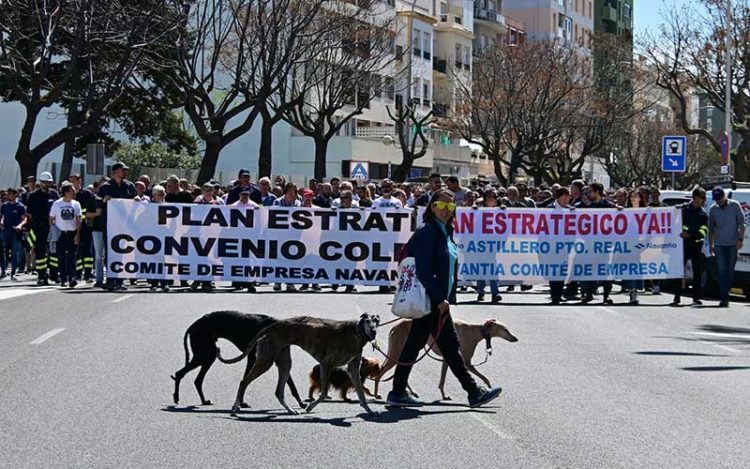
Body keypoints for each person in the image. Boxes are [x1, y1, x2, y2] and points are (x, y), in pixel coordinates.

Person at [387, 189, 502, 408]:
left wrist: (450, 296)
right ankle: (473, 391)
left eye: (451, 207)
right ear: (432, 207)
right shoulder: (428, 232)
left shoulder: (445, 231)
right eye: (441, 205)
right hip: (430, 299)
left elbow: (448, 268)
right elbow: (423, 270)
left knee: (414, 344)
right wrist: (439, 299)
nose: (446, 210)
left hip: (436, 299)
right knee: (451, 346)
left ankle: (397, 391)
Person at [98, 162, 136, 290]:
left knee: (123, 252)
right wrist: (104, 200)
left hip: (125, 225)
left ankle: (119, 280)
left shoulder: (129, 186)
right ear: (115, 172)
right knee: (110, 252)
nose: (125, 172)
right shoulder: (106, 187)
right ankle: (110, 279)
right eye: (122, 170)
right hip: (109, 225)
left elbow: (135, 199)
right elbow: (97, 203)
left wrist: (137, 200)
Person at [708, 187, 745, 307]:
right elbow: (711, 229)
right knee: (722, 271)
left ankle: (726, 291)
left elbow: (741, 223)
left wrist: (740, 239)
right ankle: (724, 297)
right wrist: (711, 244)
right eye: (716, 200)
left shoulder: (735, 205)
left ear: (724, 196)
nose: (718, 201)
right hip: (719, 244)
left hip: (733, 244)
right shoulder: (713, 209)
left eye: (720, 199)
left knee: (730, 271)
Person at [671, 187, 708, 307]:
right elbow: (675, 221)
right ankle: (677, 297)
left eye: (703, 198)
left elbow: (704, 230)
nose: (701, 200)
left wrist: (691, 234)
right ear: (694, 197)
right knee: (679, 270)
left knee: (697, 271)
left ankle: (696, 298)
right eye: (699, 197)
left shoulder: (703, 214)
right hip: (682, 244)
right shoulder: (684, 209)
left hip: (696, 245)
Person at [581, 182, 615, 304]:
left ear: (597, 192)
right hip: (590, 245)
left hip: (604, 245)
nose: (588, 194)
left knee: (605, 271)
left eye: (590, 191)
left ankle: (607, 296)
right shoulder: (586, 207)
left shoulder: (609, 207)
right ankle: (588, 293)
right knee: (589, 270)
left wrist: (621, 211)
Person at [26, 171, 60, 285]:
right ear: (40, 182)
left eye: (49, 182)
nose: (47, 184)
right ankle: (42, 275)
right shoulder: (33, 196)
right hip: (39, 227)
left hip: (53, 226)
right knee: (40, 253)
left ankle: (54, 275)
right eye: (44, 182)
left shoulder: (54, 194)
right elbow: (29, 213)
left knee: (54, 252)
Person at [49, 183, 82, 288]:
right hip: (61, 233)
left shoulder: (76, 204)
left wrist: (77, 234)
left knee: (72, 257)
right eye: (72, 190)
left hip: (72, 233)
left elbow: (78, 220)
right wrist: (55, 230)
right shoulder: (57, 204)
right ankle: (63, 278)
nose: (74, 192)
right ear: (66, 192)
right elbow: (51, 219)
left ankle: (72, 277)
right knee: (61, 257)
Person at [476, 188, 501, 303]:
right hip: (480, 244)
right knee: (481, 268)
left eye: (494, 197)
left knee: (493, 269)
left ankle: (495, 293)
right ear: (485, 199)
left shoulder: (500, 211)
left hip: (493, 244)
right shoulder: (478, 211)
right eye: (489, 197)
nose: (492, 199)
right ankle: (481, 291)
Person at [69, 174, 95, 282]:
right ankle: (78, 273)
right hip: (73, 226)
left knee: (87, 250)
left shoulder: (86, 194)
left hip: (86, 225)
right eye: (70, 182)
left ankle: (88, 273)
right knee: (77, 250)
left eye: (74, 181)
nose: (72, 184)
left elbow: (90, 210)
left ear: (79, 181)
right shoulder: (69, 196)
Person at [549, 187, 573, 304]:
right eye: (565, 198)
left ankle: (559, 294)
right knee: (553, 271)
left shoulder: (570, 210)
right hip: (550, 247)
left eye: (568, 198)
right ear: (559, 197)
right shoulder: (548, 209)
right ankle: (555, 295)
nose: (567, 200)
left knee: (562, 271)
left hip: (565, 246)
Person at [623, 189, 647, 305]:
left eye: (636, 196)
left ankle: (635, 291)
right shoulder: (625, 212)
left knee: (636, 268)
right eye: (632, 196)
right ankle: (632, 292)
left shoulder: (646, 212)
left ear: (640, 198)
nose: (634, 198)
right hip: (629, 244)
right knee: (630, 268)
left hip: (640, 244)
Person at [0, 188, 26, 280]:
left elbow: (24, 219)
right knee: (3, 252)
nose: (8, 195)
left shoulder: (20, 206)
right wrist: (1, 222)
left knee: (14, 252)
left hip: (15, 232)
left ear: (15, 195)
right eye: (7, 194)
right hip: (5, 231)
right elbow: (3, 216)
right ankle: (3, 271)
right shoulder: (4, 206)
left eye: (10, 194)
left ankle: (13, 273)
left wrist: (20, 225)